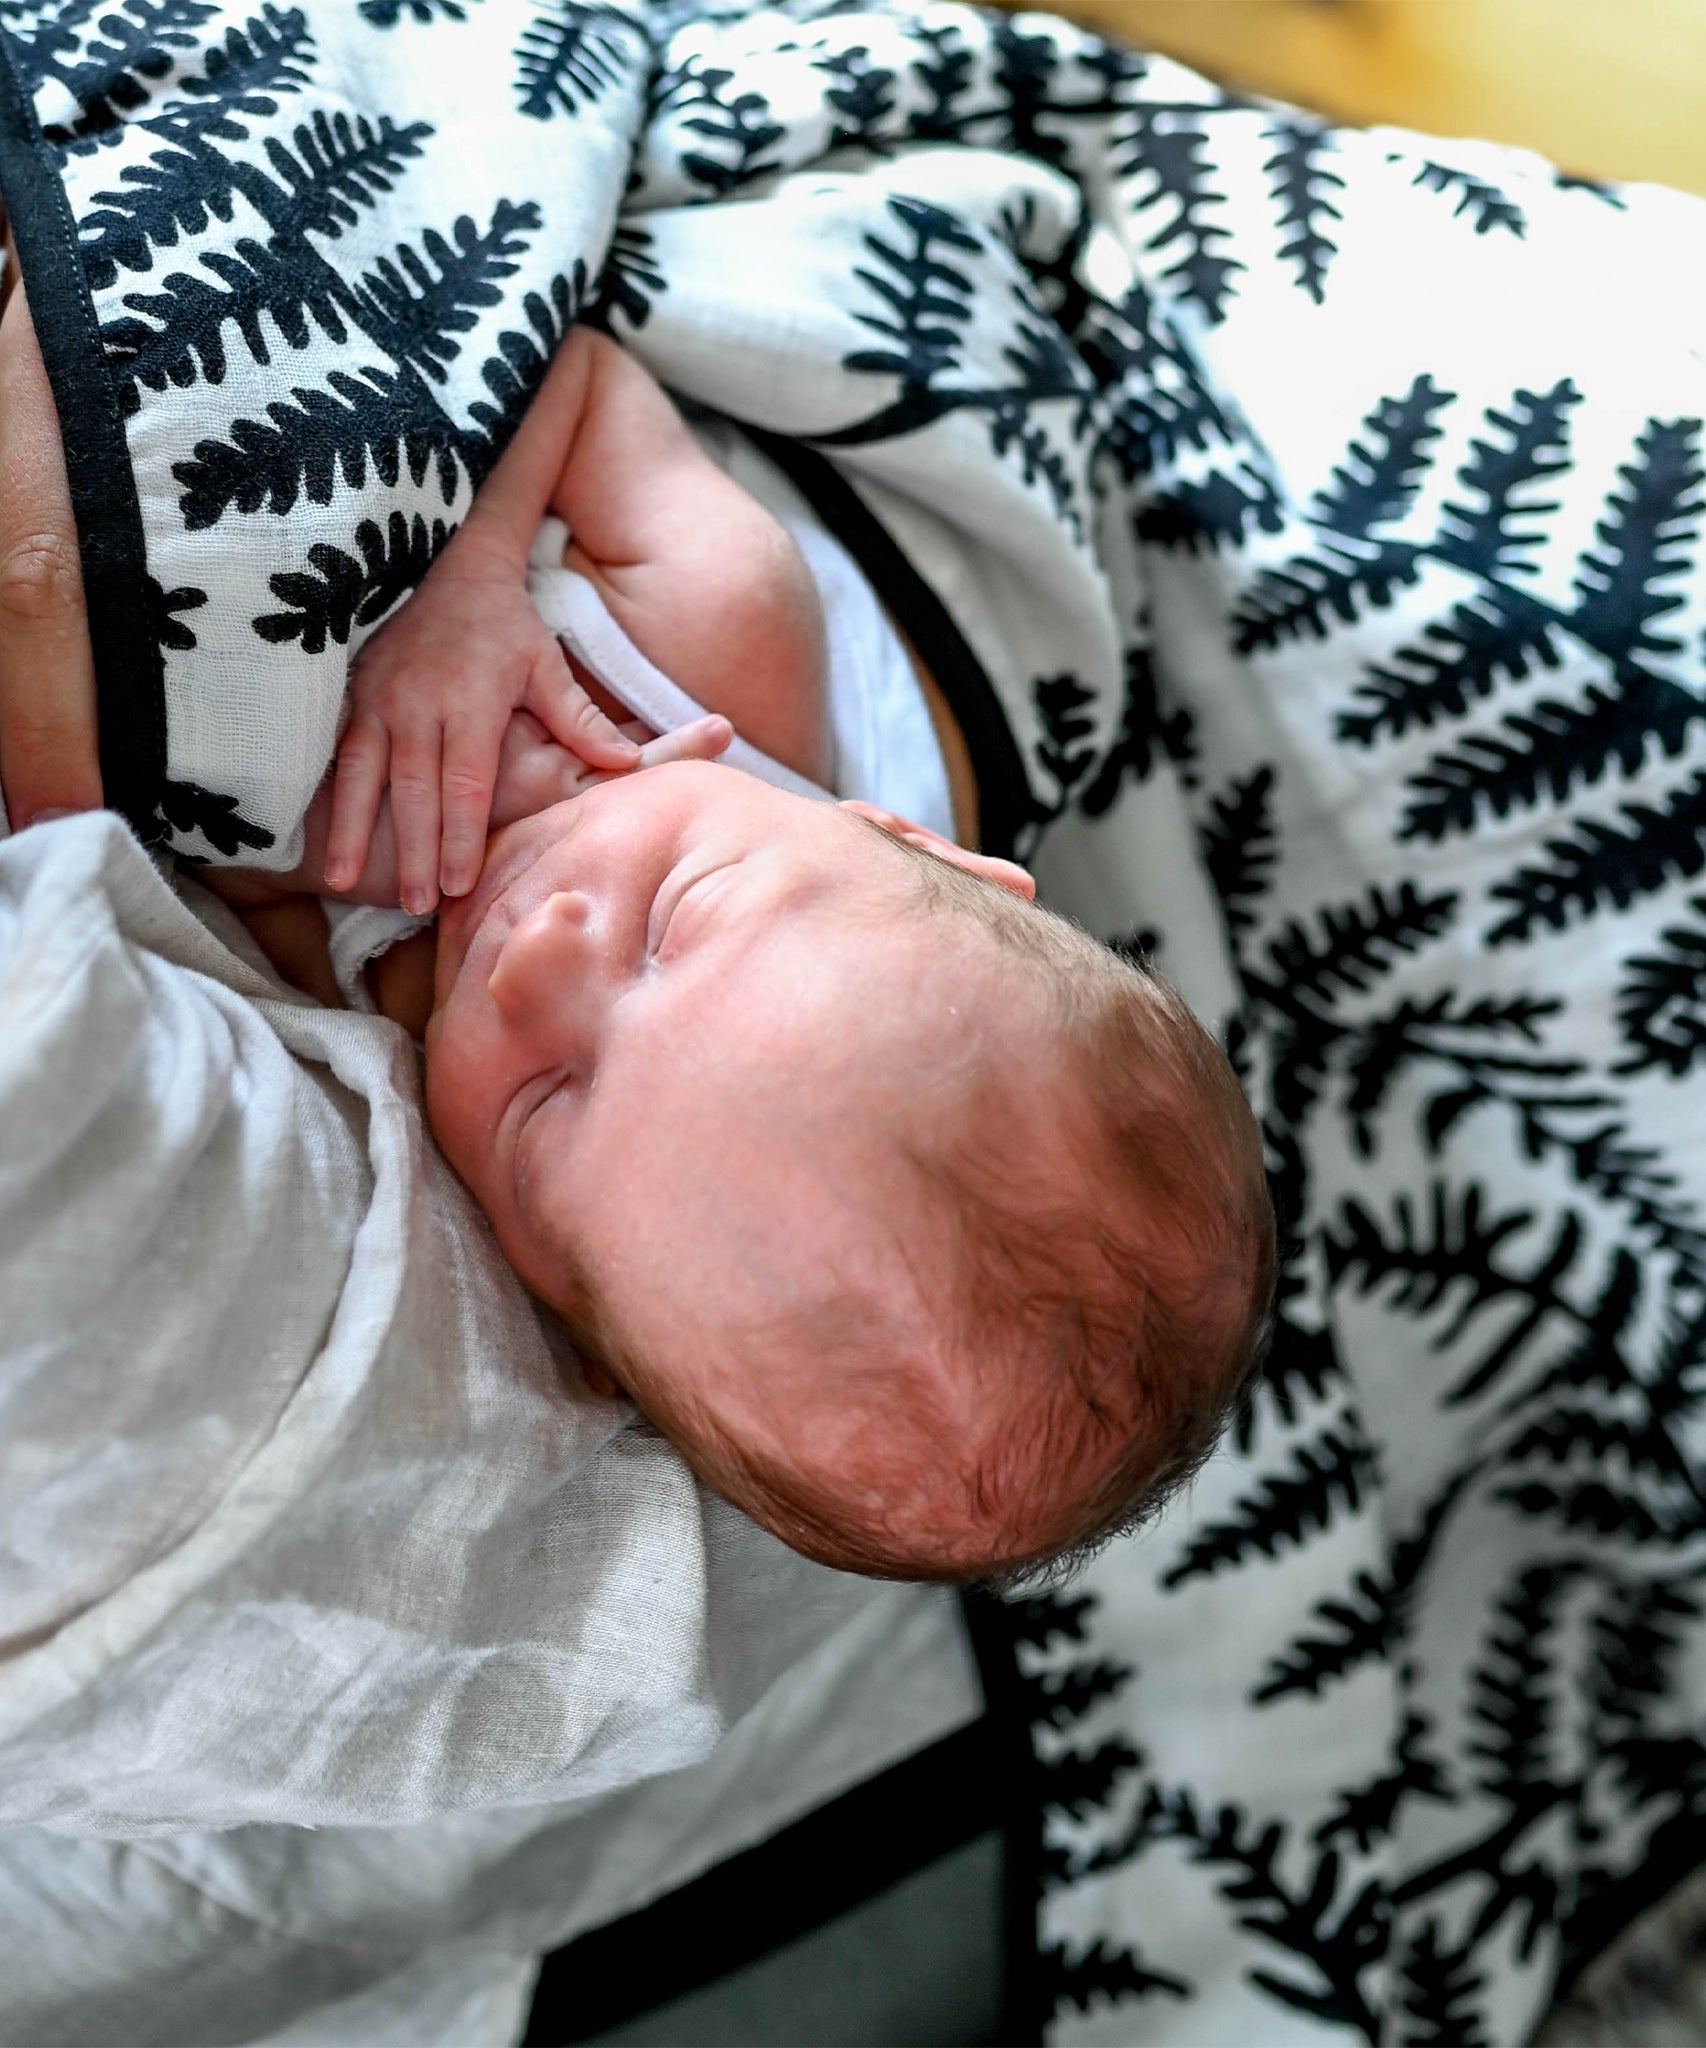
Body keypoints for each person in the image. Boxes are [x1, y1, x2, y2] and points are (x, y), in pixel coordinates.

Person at [0, 274, 1276, 1584]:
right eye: (677, 917)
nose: (537, 959)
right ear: (902, 838)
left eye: (548, 1104)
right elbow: (578, 368)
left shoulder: (382, 1024)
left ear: (560, 1310)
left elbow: (200, 872)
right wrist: (477, 576)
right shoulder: (716, 640)